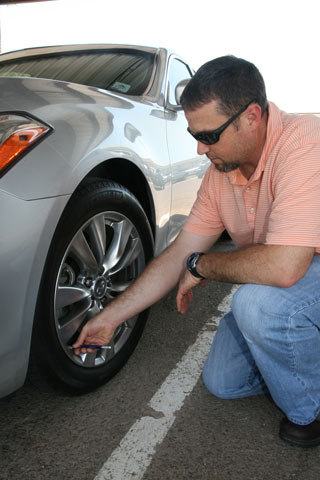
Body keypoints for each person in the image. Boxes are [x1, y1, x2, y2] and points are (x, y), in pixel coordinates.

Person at [73, 55, 320, 448]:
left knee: (258, 306)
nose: (202, 151)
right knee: (223, 381)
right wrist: (110, 318)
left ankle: (311, 412)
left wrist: (203, 265)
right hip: (291, 280)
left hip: (308, 268)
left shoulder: (304, 142)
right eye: (195, 137)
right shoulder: (220, 174)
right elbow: (178, 254)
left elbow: (286, 266)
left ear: (252, 117)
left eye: (209, 136)